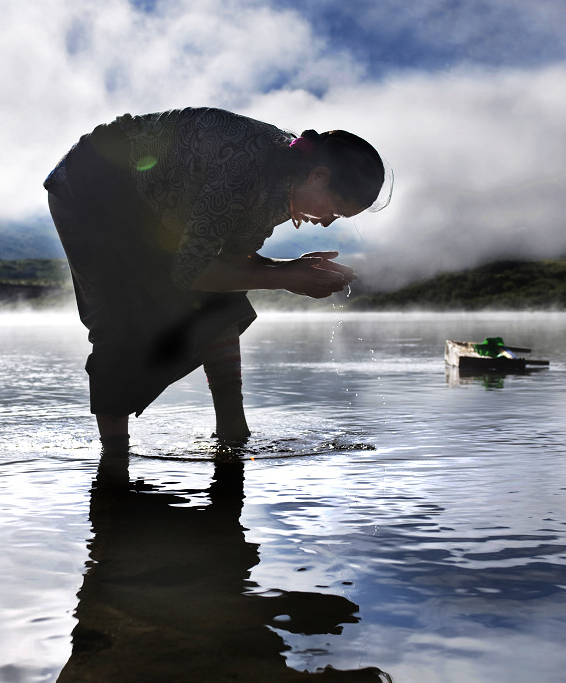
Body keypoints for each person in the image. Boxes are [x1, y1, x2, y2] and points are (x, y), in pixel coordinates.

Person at [44, 107, 391, 451]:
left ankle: (233, 432)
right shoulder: (245, 171)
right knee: (120, 317)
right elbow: (193, 271)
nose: (328, 222)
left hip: (151, 205)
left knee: (221, 299)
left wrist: (287, 268)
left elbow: (231, 261)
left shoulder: (287, 186)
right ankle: (114, 456)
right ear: (318, 176)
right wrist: (284, 277)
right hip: (91, 184)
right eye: (335, 210)